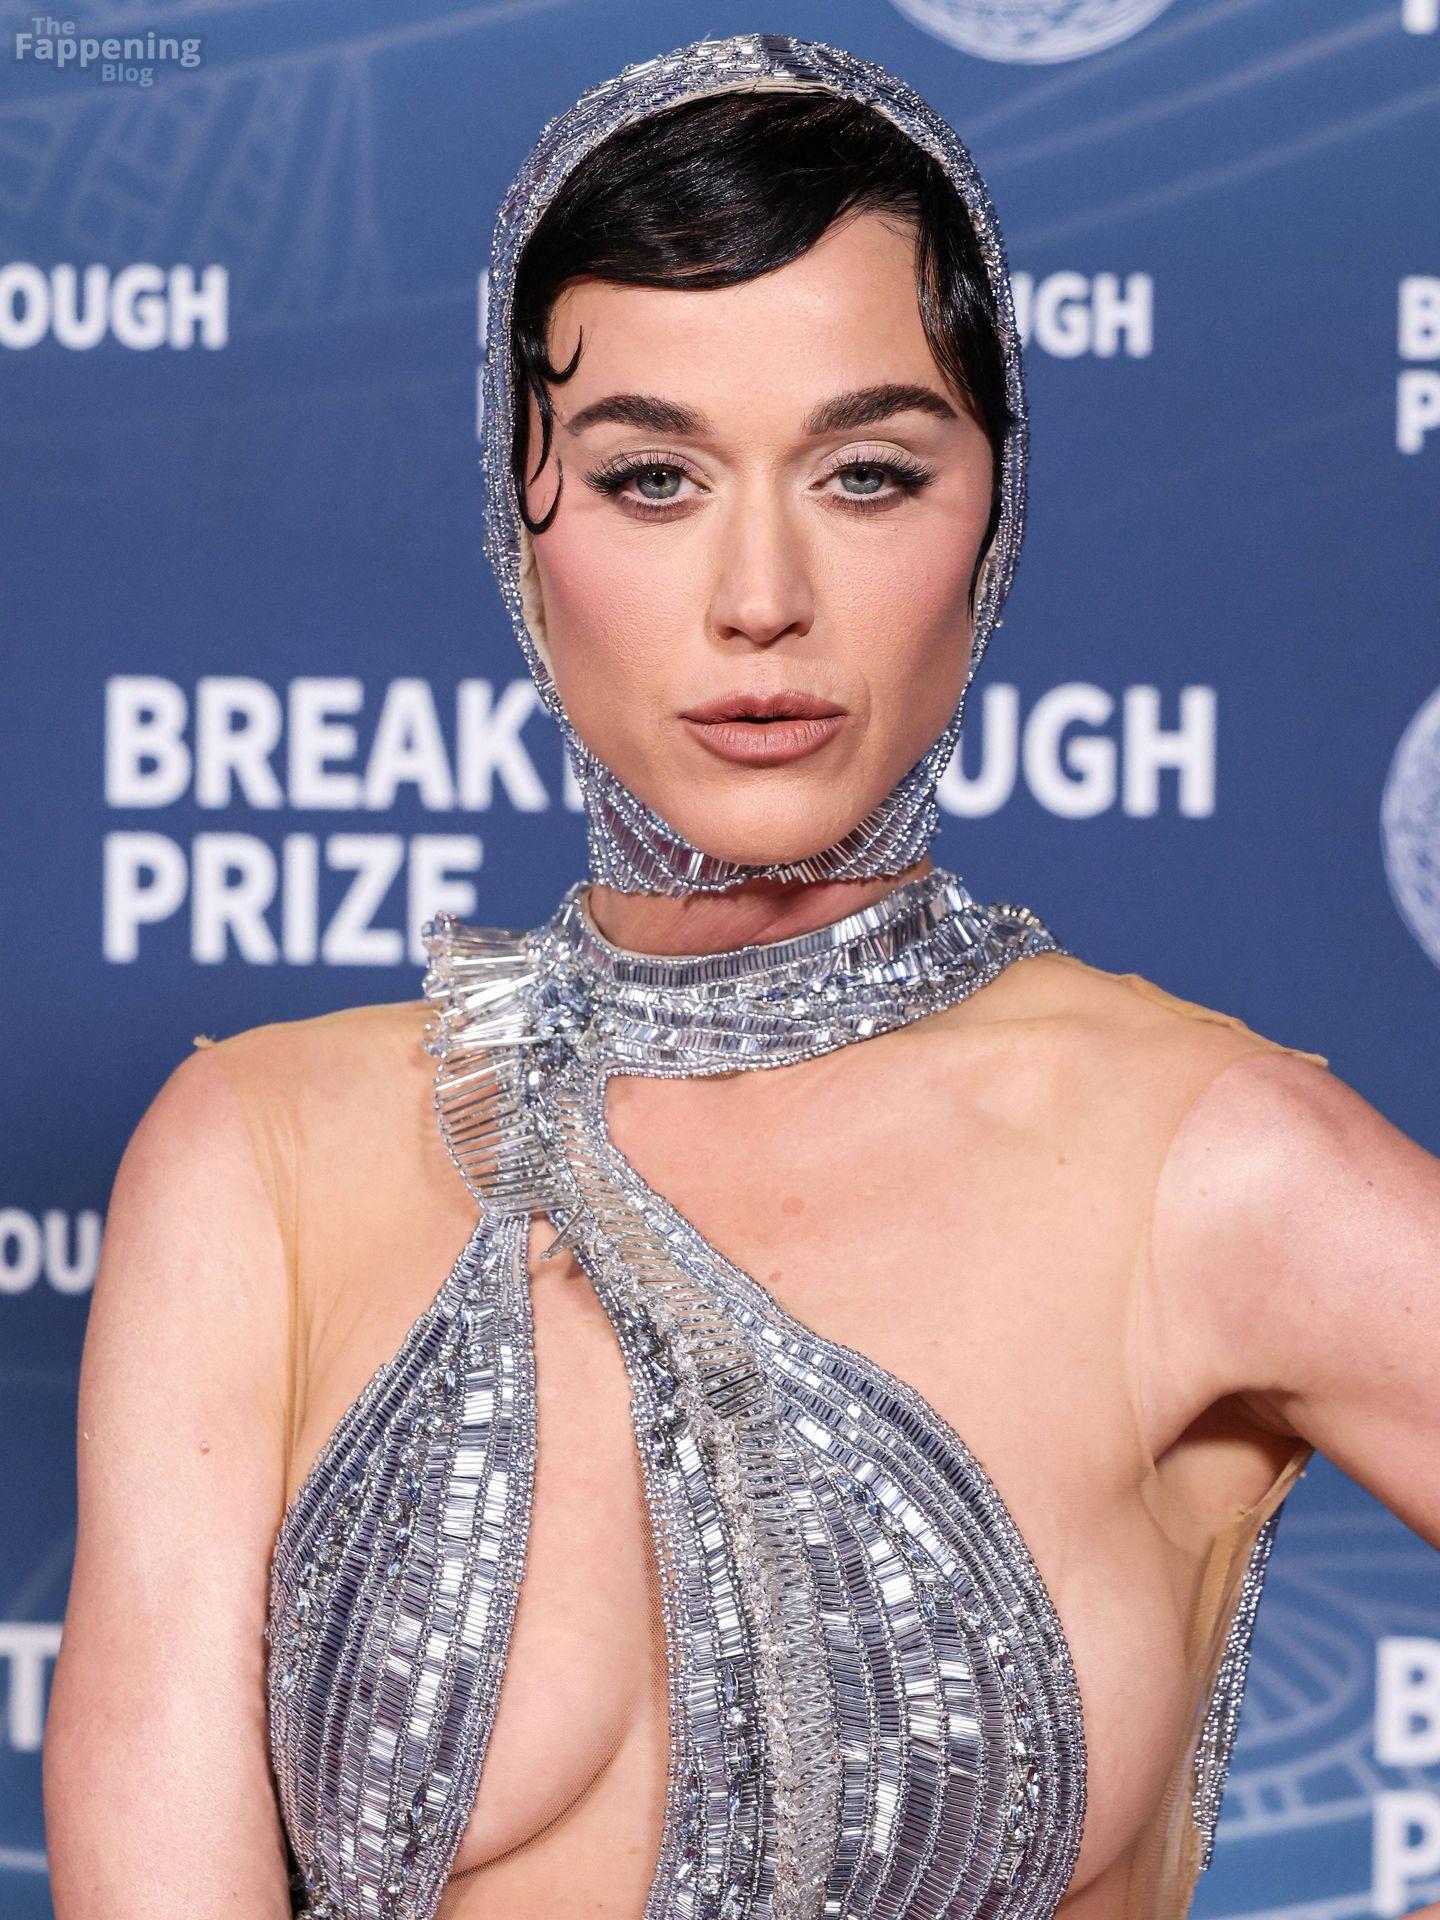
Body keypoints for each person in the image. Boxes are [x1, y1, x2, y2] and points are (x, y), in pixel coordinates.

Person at [42, 32, 1440, 1920]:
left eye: (866, 474)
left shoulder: (1211, 1166)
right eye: (651, 479)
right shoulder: (258, 1166)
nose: (760, 597)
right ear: (517, 513)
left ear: (995, 511)